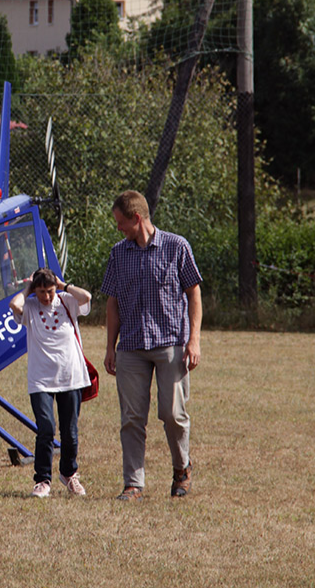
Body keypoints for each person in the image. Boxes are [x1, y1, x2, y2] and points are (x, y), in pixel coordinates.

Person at [100, 190, 203, 500]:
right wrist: (110, 347)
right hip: (131, 345)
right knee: (132, 418)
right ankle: (133, 484)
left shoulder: (176, 247)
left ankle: (181, 470)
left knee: (173, 414)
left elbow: (194, 294)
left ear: (137, 218)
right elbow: (112, 303)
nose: (118, 228)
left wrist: (194, 340)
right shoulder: (119, 254)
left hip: (170, 342)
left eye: (121, 222)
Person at [9, 268, 92, 498]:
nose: (46, 296)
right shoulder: (31, 307)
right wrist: (29, 289)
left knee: (70, 431)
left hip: (70, 375)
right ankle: (43, 480)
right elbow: (15, 306)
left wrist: (63, 286)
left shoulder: (67, 301)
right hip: (41, 379)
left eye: (50, 290)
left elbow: (86, 297)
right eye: (42, 291)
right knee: (45, 428)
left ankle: (68, 474)